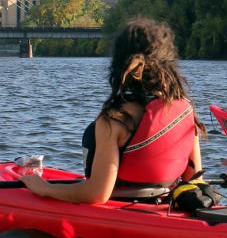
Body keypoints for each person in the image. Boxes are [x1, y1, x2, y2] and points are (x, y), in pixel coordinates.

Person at [19, 17, 203, 204]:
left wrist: (45, 188)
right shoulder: (186, 110)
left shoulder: (116, 119)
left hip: (122, 209)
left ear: (120, 62)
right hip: (166, 205)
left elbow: (97, 194)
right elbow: (195, 180)